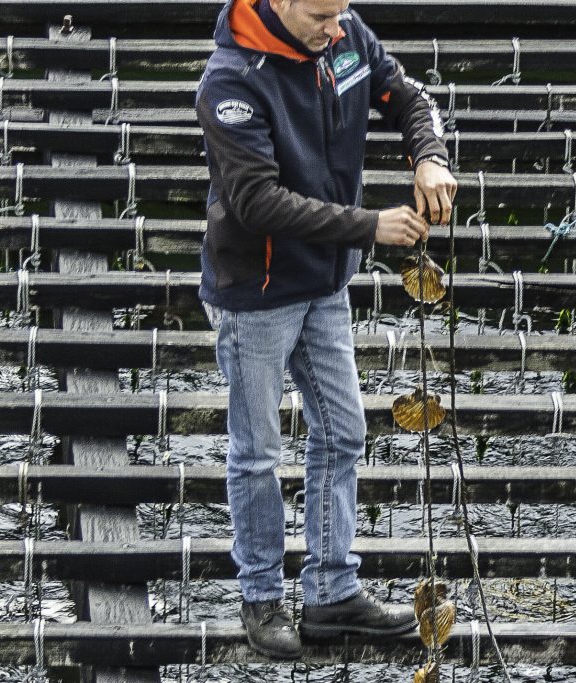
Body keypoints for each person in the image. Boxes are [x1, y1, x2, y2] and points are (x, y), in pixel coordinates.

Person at [195, 0, 458, 660]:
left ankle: (332, 591)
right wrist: (370, 226)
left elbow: (407, 95)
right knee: (257, 451)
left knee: (344, 428)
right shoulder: (230, 82)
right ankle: (260, 596)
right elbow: (258, 202)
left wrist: (427, 153)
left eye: (341, 11)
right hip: (254, 295)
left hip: (325, 285)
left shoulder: (345, 36)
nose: (336, 27)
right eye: (321, 14)